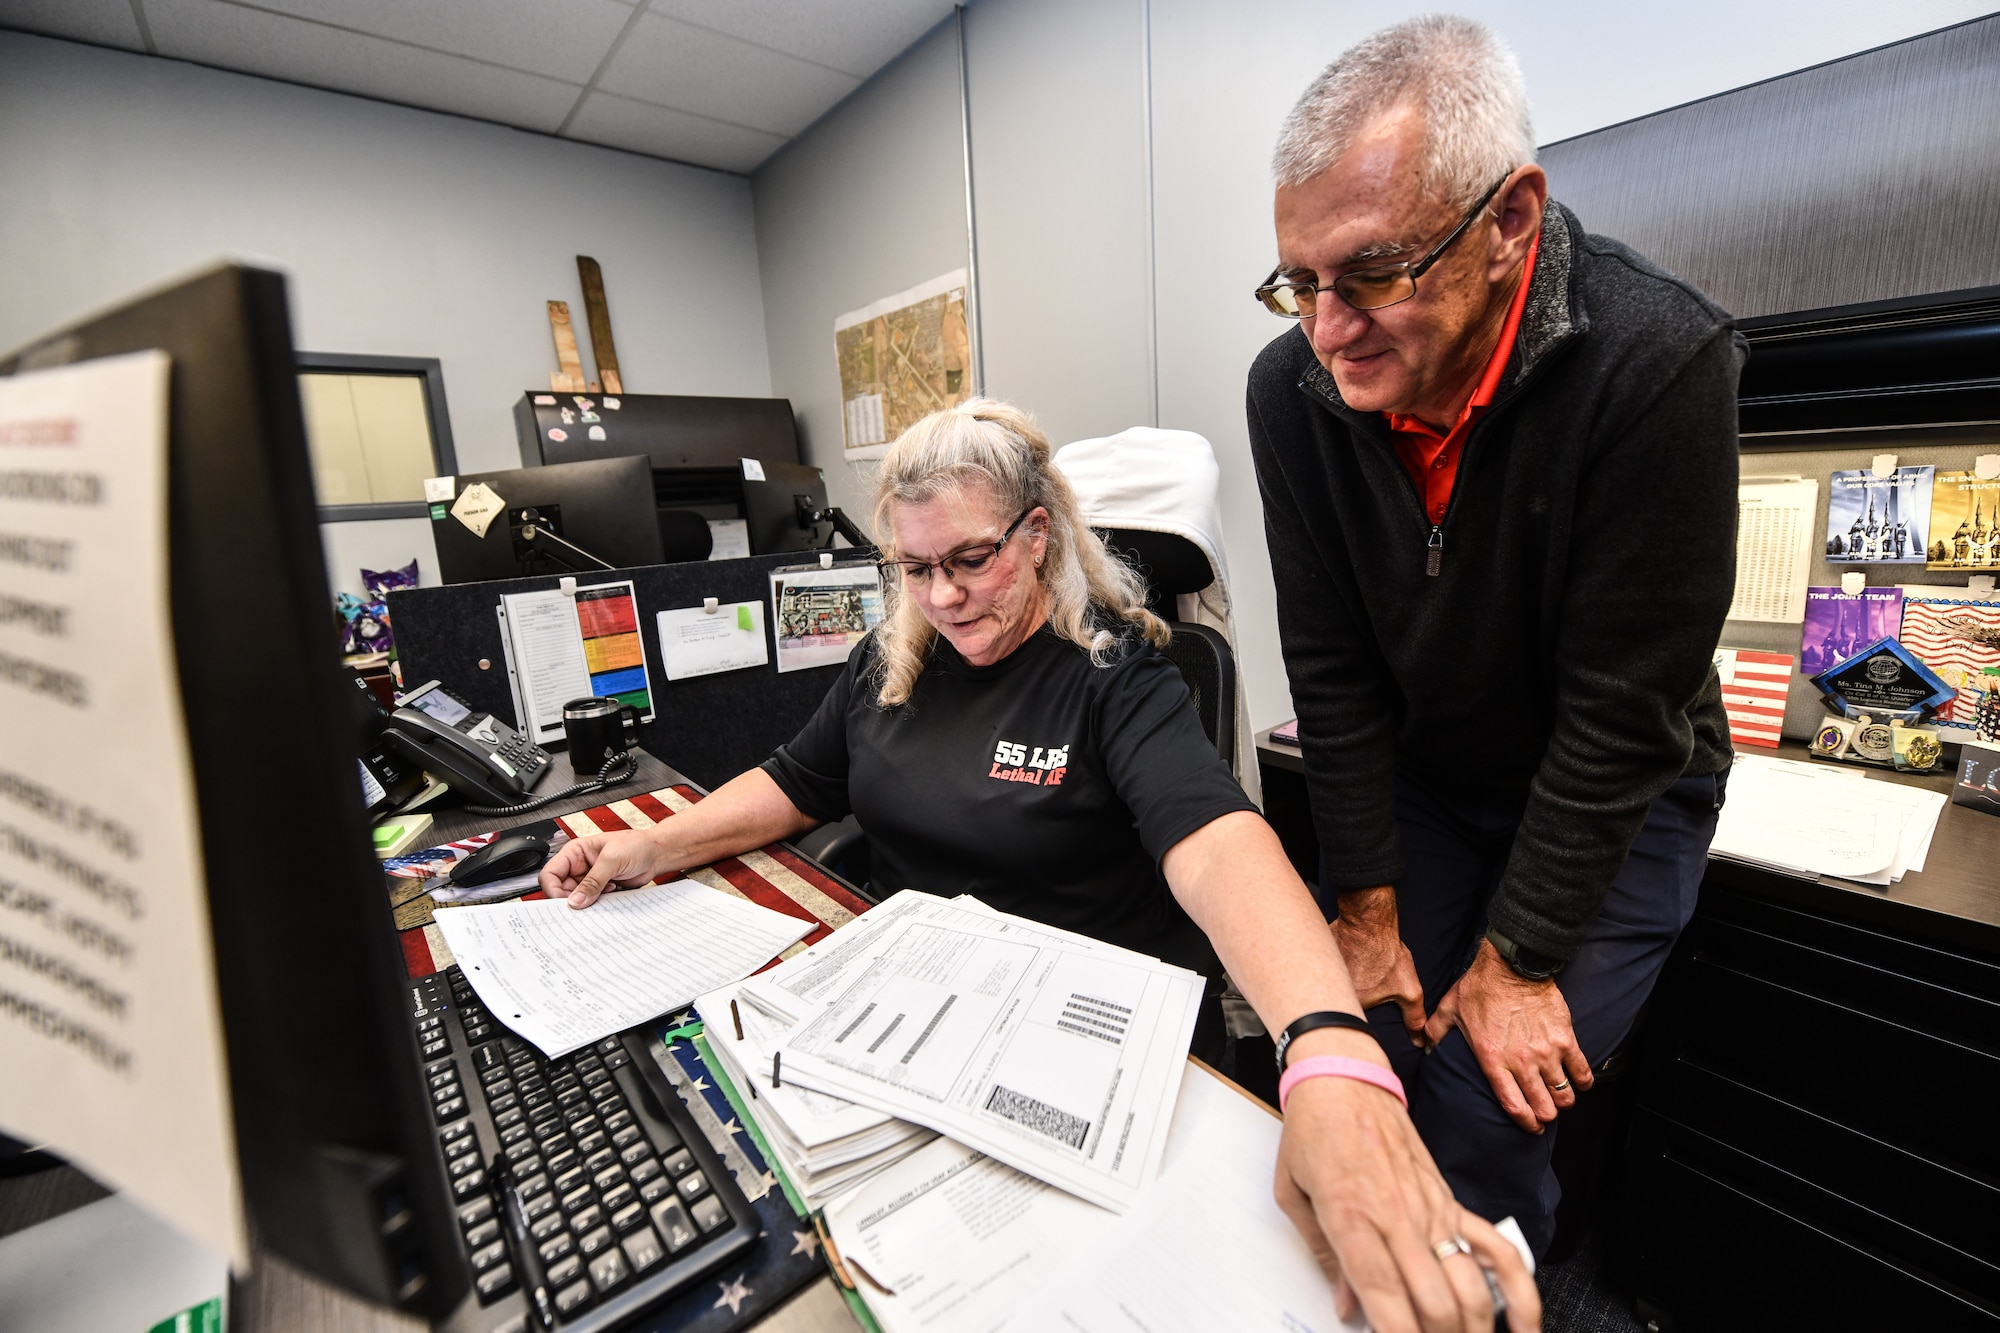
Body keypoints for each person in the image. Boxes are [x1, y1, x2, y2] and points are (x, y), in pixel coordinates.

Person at [544, 400, 1539, 1331]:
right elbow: (797, 781)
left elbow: (1218, 840)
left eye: (970, 559)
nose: (941, 594)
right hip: (919, 1030)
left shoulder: (1117, 669)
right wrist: (646, 846)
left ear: (1035, 534)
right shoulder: (892, 659)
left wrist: (1327, 1053)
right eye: (915, 565)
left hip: (1076, 1049)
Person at [1247, 16, 1740, 1259]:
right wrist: (1361, 908)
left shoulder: (1656, 361)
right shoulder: (1292, 392)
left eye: (1368, 273)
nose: (1324, 327)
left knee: (1480, 1101)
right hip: (1431, 772)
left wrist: (1516, 961)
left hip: (1612, 787)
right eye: (1297, 280)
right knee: (1358, 1050)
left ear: (1509, 218)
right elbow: (1336, 674)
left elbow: (1624, 711)